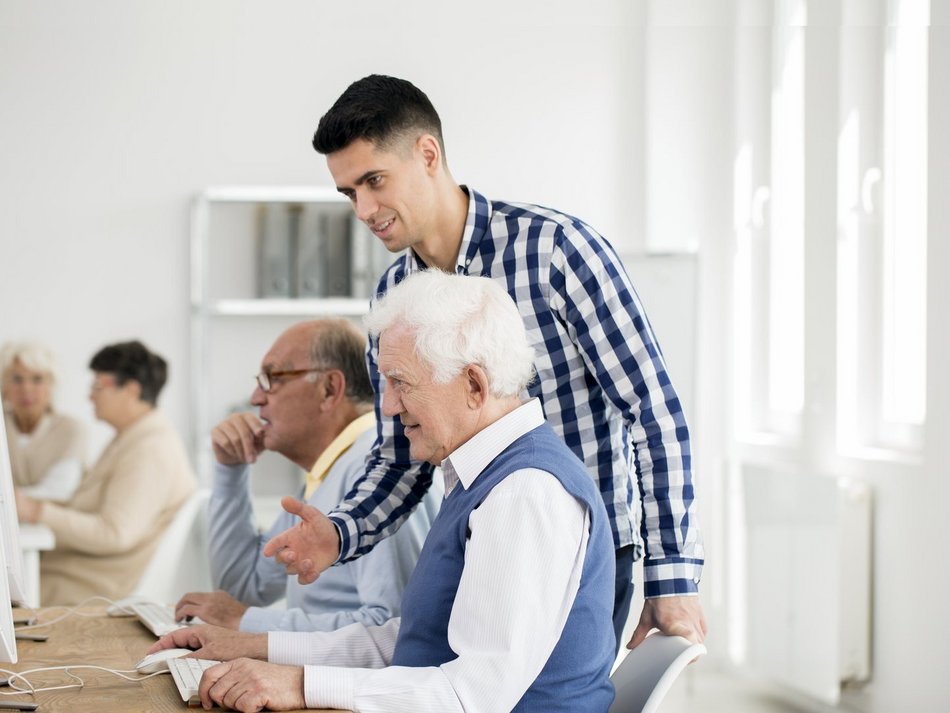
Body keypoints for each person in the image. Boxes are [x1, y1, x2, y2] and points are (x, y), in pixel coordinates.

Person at [264, 74, 706, 651]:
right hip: (478, 549)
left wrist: (670, 574)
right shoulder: (392, 296)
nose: (365, 210)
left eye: (374, 181)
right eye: (350, 193)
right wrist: (340, 532)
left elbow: (652, 410)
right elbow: (399, 456)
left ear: (428, 155)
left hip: (587, 554)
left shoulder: (556, 250)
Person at [151, 270, 616, 713]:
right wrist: (257, 645)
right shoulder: (484, 473)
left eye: (400, 384)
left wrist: (298, 682)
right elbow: (415, 640)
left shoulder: (525, 492)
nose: (388, 407)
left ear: (474, 384)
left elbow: (470, 697)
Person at [173, 319, 438, 632]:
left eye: (272, 378)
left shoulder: (375, 474)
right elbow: (244, 587)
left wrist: (245, 621)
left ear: (329, 389)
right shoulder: (331, 470)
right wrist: (231, 468)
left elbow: (393, 629)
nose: (256, 397)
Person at [15, 340, 196, 606]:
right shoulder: (132, 438)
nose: (90, 396)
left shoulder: (150, 449)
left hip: (90, 587)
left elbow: (114, 533)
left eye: (98, 386)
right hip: (74, 574)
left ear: (132, 390)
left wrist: (36, 512)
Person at [1, 341, 87, 502]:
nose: (26, 388)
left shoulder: (70, 430)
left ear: (51, 386)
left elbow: (59, 492)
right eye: (17, 379)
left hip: (49, 526)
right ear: (4, 387)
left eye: (37, 379)